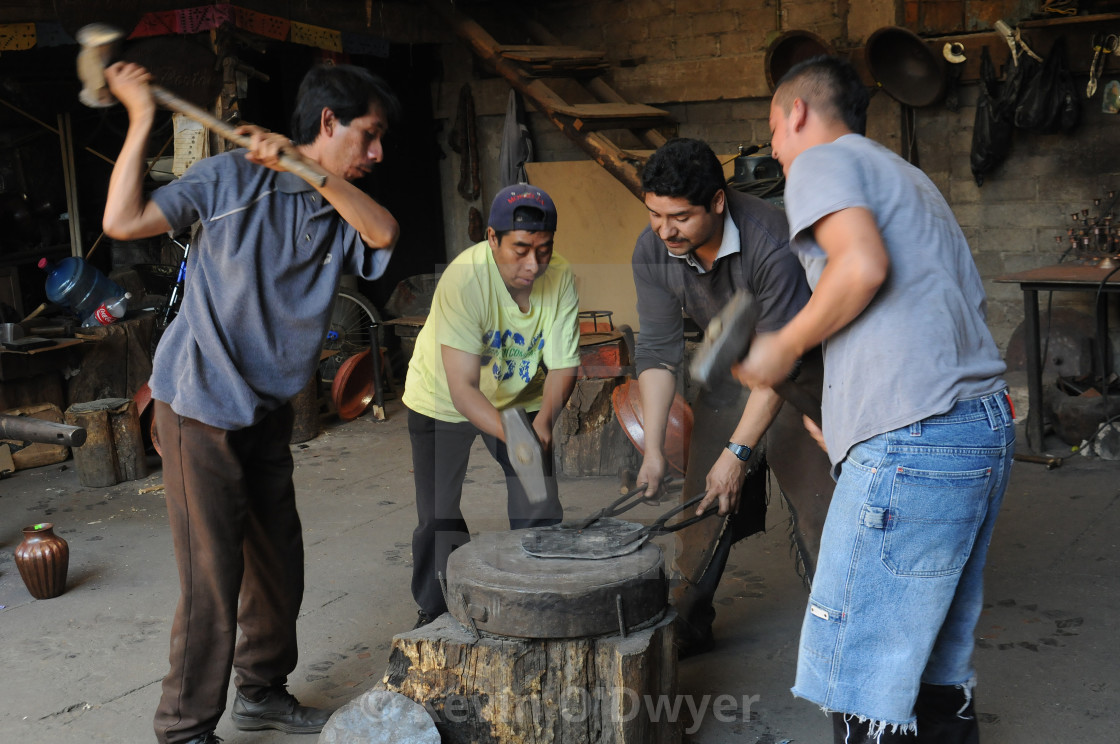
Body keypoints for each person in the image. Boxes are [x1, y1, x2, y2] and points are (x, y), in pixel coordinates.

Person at [101, 62, 401, 744]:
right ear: (329, 122)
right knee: (213, 573)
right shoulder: (231, 179)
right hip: (198, 400)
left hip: (265, 404)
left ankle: (261, 692)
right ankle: (184, 728)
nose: (379, 153)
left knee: (278, 564)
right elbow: (121, 220)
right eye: (370, 135)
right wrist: (140, 114)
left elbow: (383, 234)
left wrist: (306, 168)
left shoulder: (339, 202)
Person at [737, 56, 1014, 743]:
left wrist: (783, 345)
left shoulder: (820, 162)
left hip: (917, 438)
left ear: (796, 112)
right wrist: (861, 424)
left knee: (862, 684)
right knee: (930, 676)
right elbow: (953, 310)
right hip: (977, 429)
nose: (774, 148)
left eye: (772, 129)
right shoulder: (912, 181)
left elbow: (861, 267)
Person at [631, 137, 835, 657]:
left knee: (822, 516)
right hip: (735, 370)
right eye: (654, 214)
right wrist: (654, 448)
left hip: (807, 372)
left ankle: (843, 639)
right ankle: (689, 627)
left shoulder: (773, 243)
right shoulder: (654, 248)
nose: (664, 230)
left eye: (679, 217)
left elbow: (782, 362)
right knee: (699, 509)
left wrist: (739, 453)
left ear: (718, 202)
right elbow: (657, 352)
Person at [403, 184, 580, 628]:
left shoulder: (559, 277)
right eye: (520, 249)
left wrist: (541, 423)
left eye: (544, 249)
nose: (533, 264)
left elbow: (564, 368)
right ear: (492, 238)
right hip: (443, 399)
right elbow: (463, 388)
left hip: (520, 396)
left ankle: (539, 593)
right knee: (438, 516)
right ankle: (438, 608)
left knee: (538, 501)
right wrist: (515, 433)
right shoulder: (465, 280)